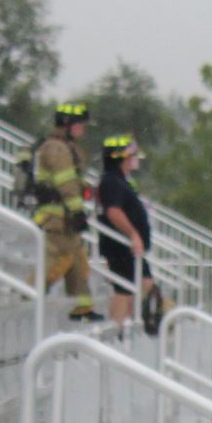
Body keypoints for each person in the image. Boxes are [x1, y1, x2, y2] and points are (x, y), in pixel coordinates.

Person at [32, 101, 98, 322]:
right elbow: (66, 184)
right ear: (68, 124)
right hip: (56, 218)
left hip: (65, 218)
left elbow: (75, 183)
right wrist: (78, 211)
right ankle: (28, 300)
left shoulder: (66, 148)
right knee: (58, 262)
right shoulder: (57, 149)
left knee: (79, 262)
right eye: (81, 124)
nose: (83, 129)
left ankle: (83, 311)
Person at [96, 133, 154, 324]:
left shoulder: (121, 181)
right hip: (120, 248)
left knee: (144, 286)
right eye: (131, 155)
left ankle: (130, 327)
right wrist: (133, 234)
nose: (135, 160)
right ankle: (118, 331)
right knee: (125, 290)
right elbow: (113, 211)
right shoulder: (111, 181)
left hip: (129, 249)